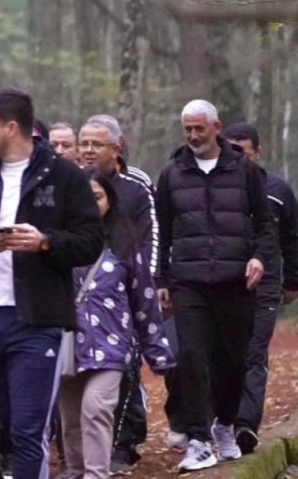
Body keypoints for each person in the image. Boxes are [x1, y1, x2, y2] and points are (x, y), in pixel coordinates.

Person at [0, 88, 104, 479]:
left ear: (11, 128)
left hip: (37, 322)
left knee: (27, 431)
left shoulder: (64, 176)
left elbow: (91, 241)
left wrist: (45, 242)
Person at [155, 100, 277, 472]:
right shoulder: (172, 174)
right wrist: (161, 279)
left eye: (199, 129)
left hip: (236, 281)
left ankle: (224, 424)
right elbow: (163, 232)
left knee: (234, 361)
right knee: (192, 357)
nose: (193, 136)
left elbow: (266, 224)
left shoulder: (244, 170)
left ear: (216, 128)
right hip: (188, 282)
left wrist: (259, 258)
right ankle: (197, 440)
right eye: (187, 129)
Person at [58, 169, 174, 479]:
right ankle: (76, 471)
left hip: (111, 345)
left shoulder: (125, 245)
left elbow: (144, 300)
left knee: (95, 408)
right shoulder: (59, 244)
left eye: (97, 196)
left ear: (110, 200)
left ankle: (96, 474)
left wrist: (157, 352)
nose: (90, 203)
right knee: (70, 419)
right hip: (67, 345)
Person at [76, 114, 159, 473]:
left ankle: (122, 444)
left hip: (122, 299)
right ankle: (78, 460)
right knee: (74, 397)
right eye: (84, 143)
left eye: (96, 144)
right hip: (76, 312)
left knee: (122, 375)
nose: (88, 150)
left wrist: (149, 285)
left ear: (117, 147)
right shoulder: (70, 184)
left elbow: (151, 239)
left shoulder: (136, 186)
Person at [223, 122, 298, 454]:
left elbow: (292, 238)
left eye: (244, 152)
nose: (238, 158)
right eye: (232, 151)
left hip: (265, 283)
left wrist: (292, 281)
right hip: (224, 282)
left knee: (254, 353)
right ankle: (219, 421)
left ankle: (245, 425)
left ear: (258, 152)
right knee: (224, 353)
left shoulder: (278, 190)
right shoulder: (217, 188)